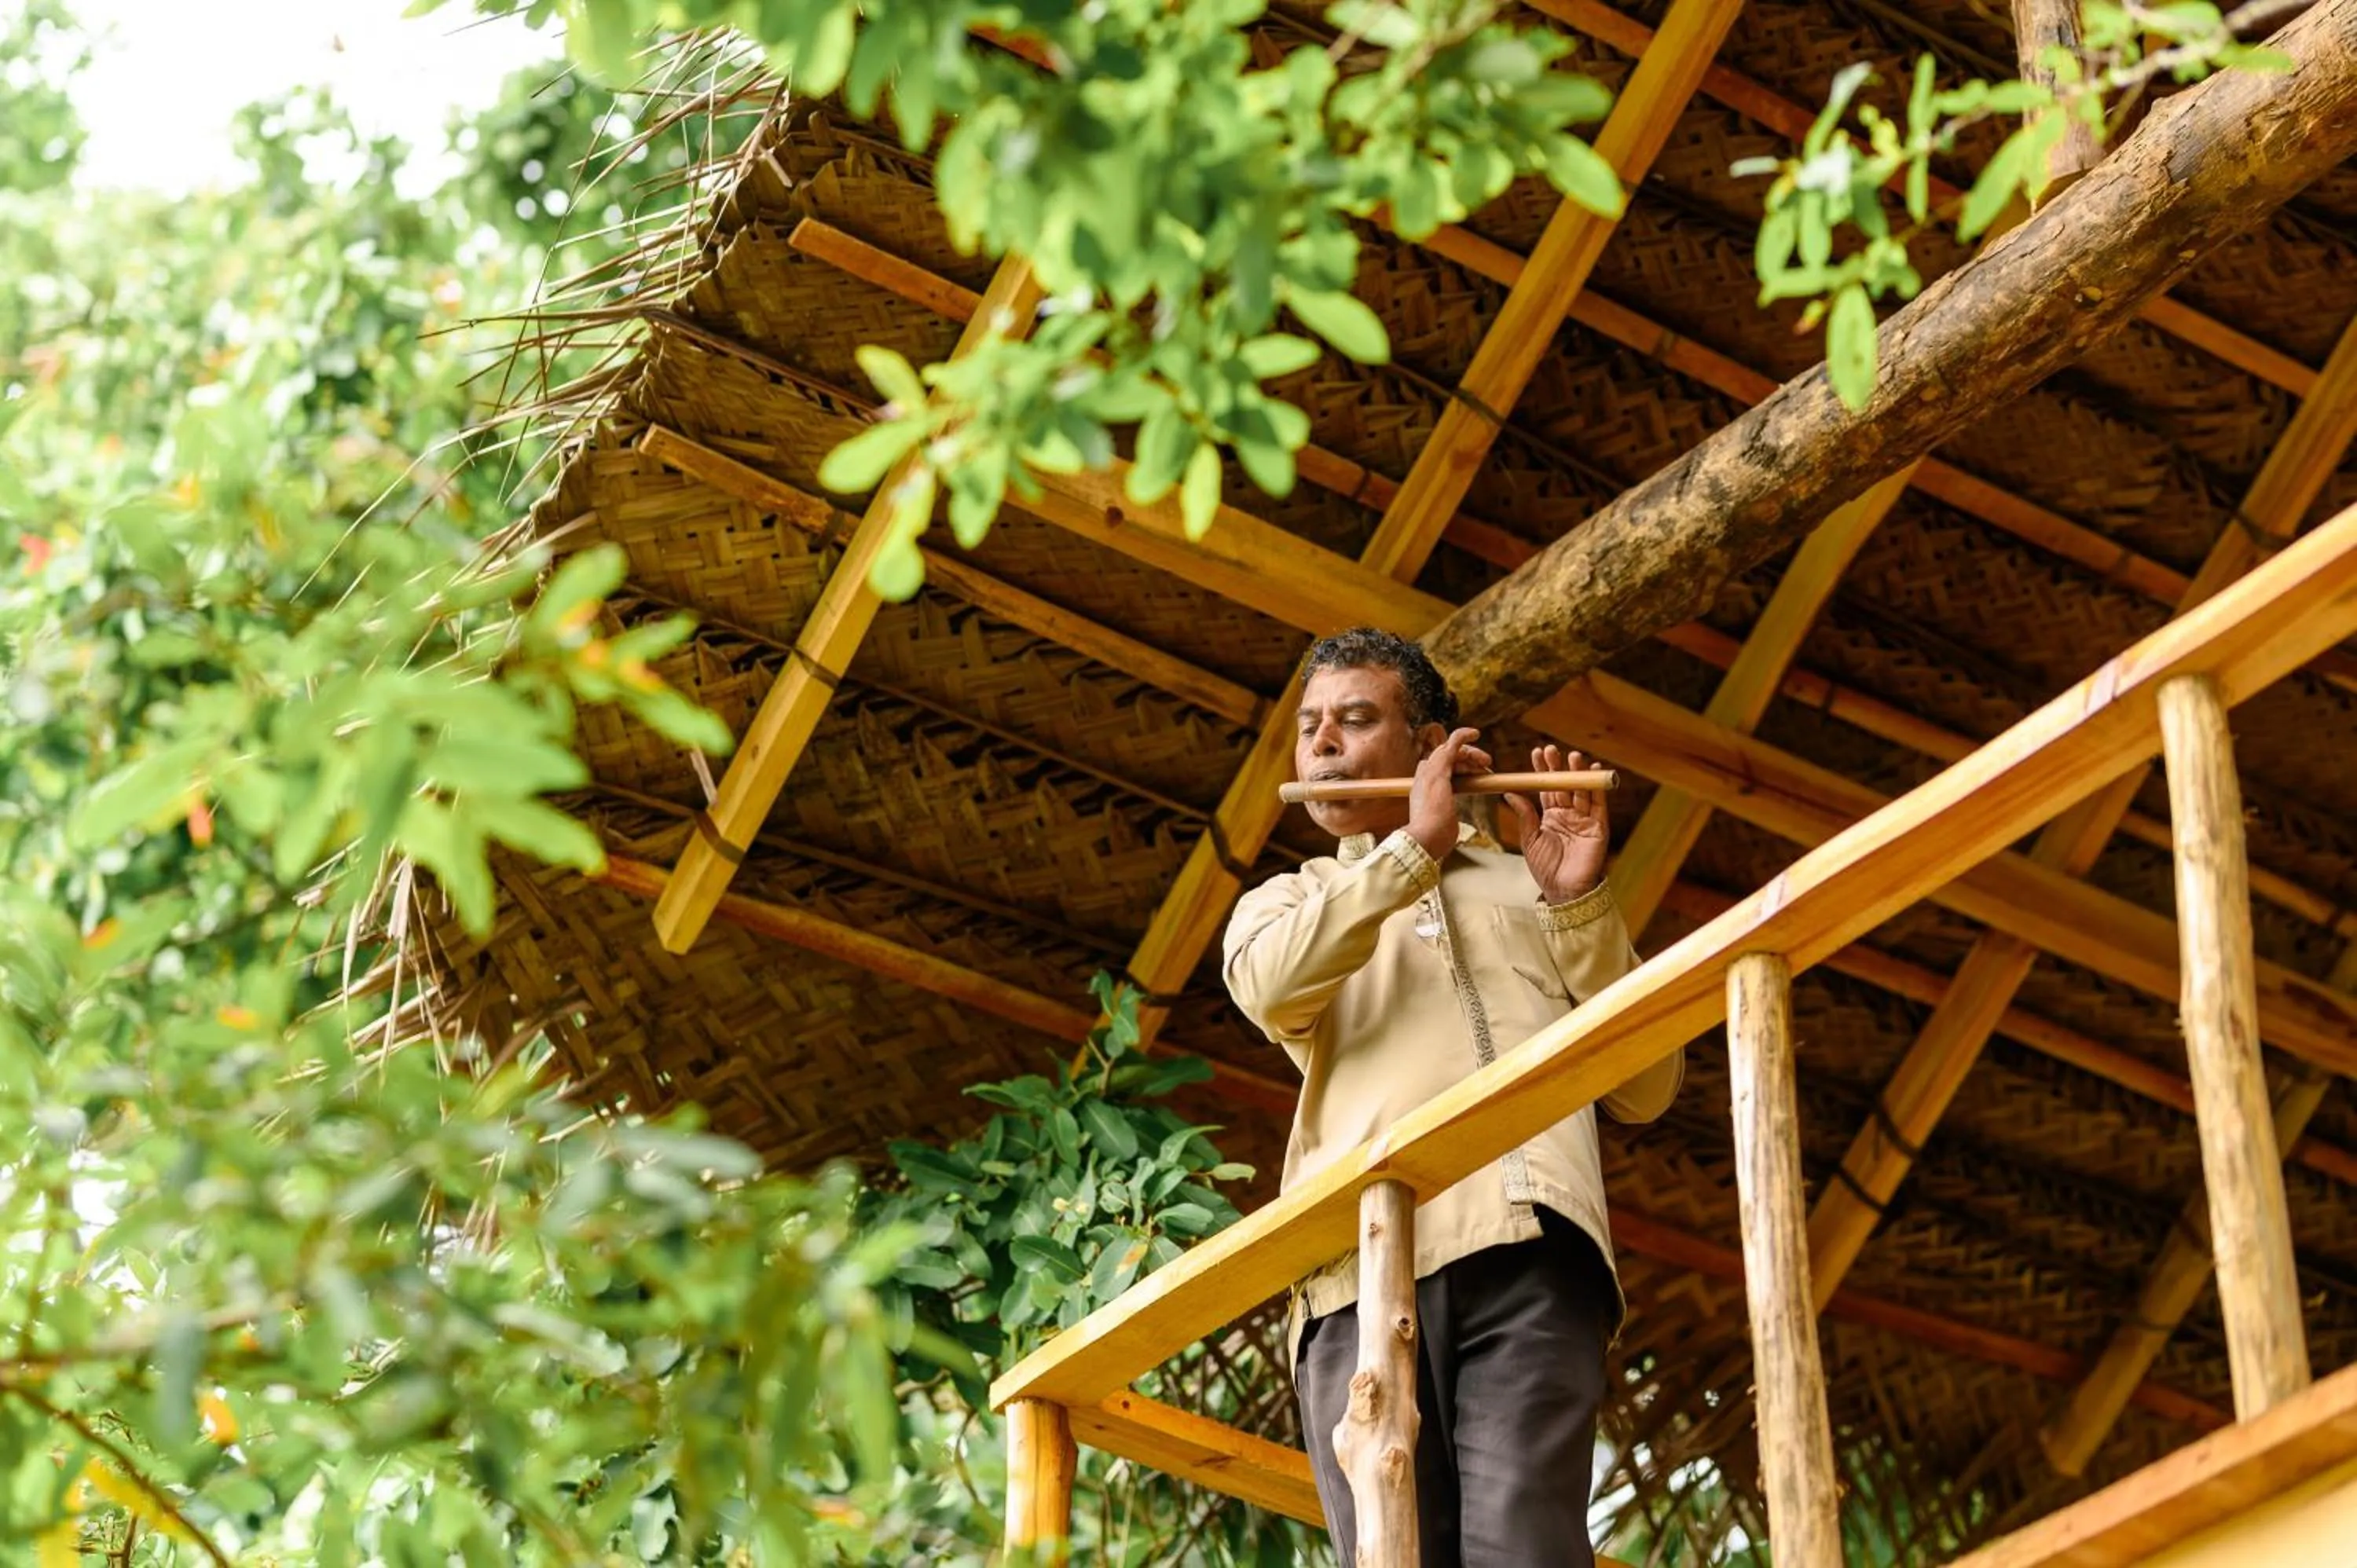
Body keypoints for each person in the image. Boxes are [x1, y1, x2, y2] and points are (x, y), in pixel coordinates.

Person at [1221, 628, 1681, 1568]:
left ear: (1431, 744)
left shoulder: (1532, 887)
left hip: (1532, 1250)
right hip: (1356, 1280)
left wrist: (1579, 908)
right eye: (1311, 729)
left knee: (1525, 1548)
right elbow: (1268, 986)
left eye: (1355, 719)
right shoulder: (1286, 902)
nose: (1324, 748)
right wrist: (1408, 856)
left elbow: (1648, 1085)